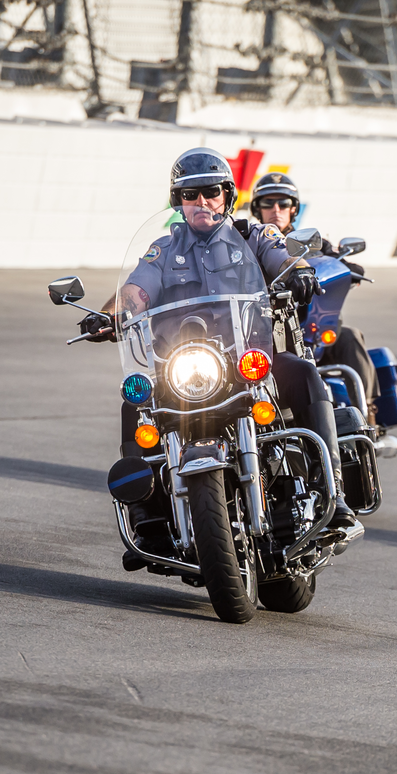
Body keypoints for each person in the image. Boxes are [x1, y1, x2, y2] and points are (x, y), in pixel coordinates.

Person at [85, 148, 341, 512]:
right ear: (179, 201)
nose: (201, 201)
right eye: (190, 194)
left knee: (304, 374)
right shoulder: (162, 251)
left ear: (227, 196)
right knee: (136, 398)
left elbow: (283, 257)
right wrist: (109, 316)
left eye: (211, 192)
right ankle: (147, 508)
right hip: (184, 365)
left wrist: (299, 271)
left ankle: (329, 486)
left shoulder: (255, 236)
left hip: (249, 358)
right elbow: (135, 290)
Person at [249, 170, 384, 422]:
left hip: (313, 322)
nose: (276, 209)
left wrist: (346, 268)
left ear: (294, 208)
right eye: (268, 203)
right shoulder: (251, 242)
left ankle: (366, 411)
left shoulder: (313, 242)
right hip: (267, 326)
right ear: (258, 208)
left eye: (283, 203)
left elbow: (339, 262)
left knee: (350, 337)